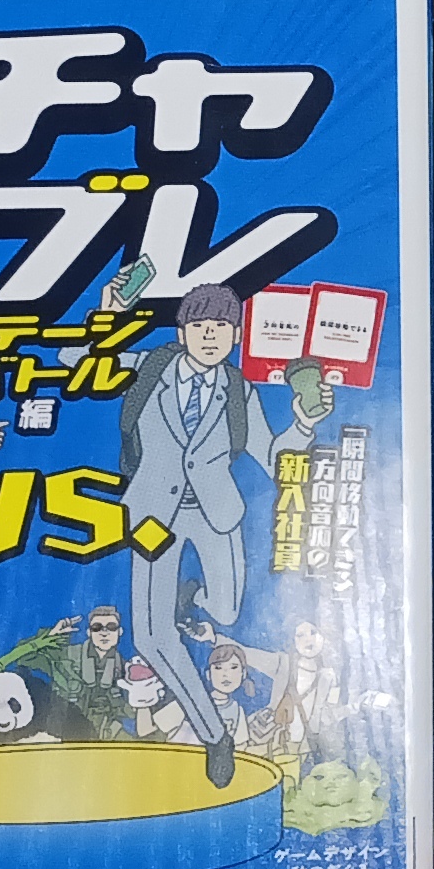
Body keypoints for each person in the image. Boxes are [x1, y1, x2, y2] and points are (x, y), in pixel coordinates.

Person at [121, 283, 267, 785]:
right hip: (153, 515)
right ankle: (213, 734)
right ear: (181, 332)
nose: (210, 335)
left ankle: (193, 597)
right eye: (199, 326)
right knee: (152, 636)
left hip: (213, 514)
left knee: (225, 611)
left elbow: (273, 452)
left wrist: (306, 423)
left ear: (235, 335)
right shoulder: (150, 369)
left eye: (221, 326)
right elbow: (78, 357)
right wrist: (107, 317)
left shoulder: (238, 391)